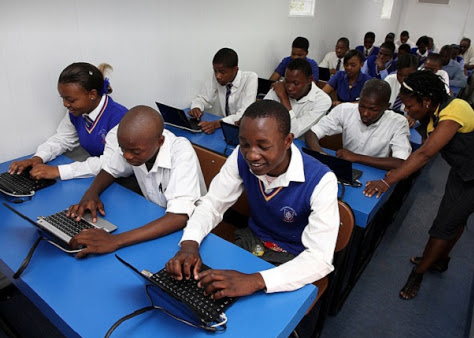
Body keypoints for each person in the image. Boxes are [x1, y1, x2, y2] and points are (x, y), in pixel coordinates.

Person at [165, 99, 339, 303]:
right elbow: (213, 204)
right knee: (203, 293)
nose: (252, 154)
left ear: (288, 140)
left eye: (263, 146)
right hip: (252, 241)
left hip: (294, 257)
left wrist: (255, 280)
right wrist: (189, 243)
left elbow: (319, 258)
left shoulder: (321, 180)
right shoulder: (241, 156)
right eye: (245, 144)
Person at [363, 71, 474, 300]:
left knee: (443, 225)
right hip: (462, 172)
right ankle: (440, 260)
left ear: (426, 101)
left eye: (410, 106)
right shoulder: (431, 112)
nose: (407, 110)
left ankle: (417, 273)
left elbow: (425, 153)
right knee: (452, 219)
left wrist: (387, 180)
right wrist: (413, 119)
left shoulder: (455, 110)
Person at [67, 106, 206, 258]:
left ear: (160, 142)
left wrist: (115, 240)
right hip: (154, 218)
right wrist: (91, 194)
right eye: (122, 148)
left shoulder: (181, 153)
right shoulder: (133, 143)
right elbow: (111, 169)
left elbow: (179, 217)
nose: (127, 156)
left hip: (187, 232)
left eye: (135, 152)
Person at [8, 62, 127, 180]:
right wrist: (38, 158)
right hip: (100, 176)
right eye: (63, 98)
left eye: (70, 100)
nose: (65, 104)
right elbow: (62, 139)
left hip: (124, 179)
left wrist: (58, 171)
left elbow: (110, 163)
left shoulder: (119, 118)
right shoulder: (77, 111)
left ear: (92, 94)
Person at [305, 79, 411, 170]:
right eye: (362, 106)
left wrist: (356, 157)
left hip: (374, 171)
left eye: (373, 109)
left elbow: (400, 162)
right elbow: (312, 133)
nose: (365, 113)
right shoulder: (345, 110)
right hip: (345, 167)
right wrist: (321, 155)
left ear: (386, 107)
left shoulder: (398, 122)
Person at [189, 48, 257, 134]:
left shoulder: (250, 78)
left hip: (243, 129)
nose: (218, 76)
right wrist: (197, 107)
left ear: (235, 69)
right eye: (215, 71)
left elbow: (244, 114)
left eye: (222, 72)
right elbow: (203, 98)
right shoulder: (218, 77)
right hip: (224, 128)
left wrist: (217, 124)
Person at [263, 58, 331, 139]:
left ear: (309, 80)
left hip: (300, 145)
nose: (290, 88)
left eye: (296, 83)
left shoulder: (322, 101)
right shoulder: (279, 87)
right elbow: (260, 117)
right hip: (270, 138)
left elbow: (293, 132)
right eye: (287, 81)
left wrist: (284, 98)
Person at [385, 54, 418, 126]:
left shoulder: (421, 87)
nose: (402, 79)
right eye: (399, 74)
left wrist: (414, 117)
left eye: (407, 76)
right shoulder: (390, 80)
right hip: (389, 119)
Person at [459, 38, 474, 106]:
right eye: (461, 46)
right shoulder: (456, 49)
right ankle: (460, 98)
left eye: (464, 47)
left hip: (470, 71)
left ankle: (468, 99)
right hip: (458, 71)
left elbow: (473, 65)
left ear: (469, 46)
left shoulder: (473, 51)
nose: (462, 48)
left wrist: (463, 66)